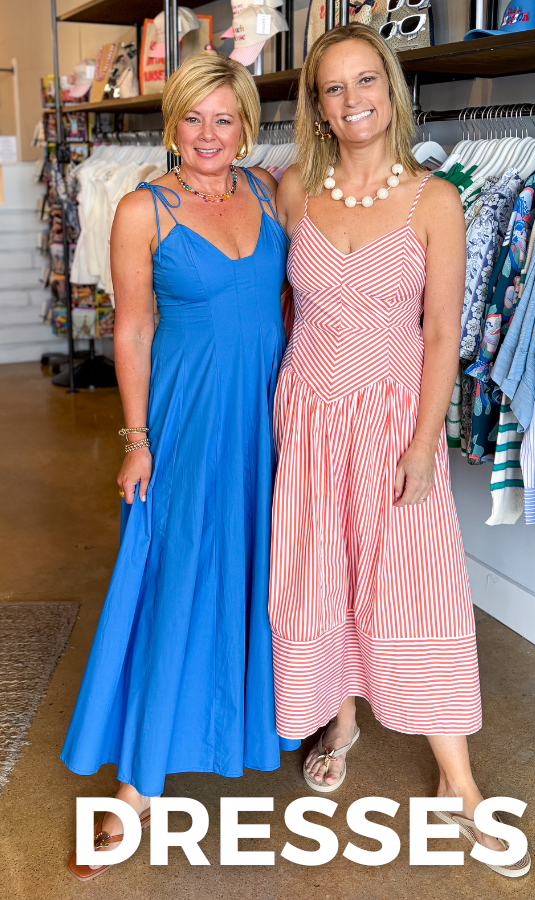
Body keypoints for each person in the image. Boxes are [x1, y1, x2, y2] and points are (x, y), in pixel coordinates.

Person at [269, 23, 530, 878]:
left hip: (390, 424)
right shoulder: (292, 194)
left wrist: (424, 444)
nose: (353, 101)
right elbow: (275, 312)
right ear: (317, 106)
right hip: (306, 418)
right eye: (334, 88)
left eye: (366, 81)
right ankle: (338, 715)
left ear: (391, 90)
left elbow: (443, 332)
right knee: (321, 572)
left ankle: (458, 784)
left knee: (417, 588)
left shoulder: (436, 200)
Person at [61, 51, 298, 881]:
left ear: (246, 126)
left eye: (224, 118)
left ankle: (247, 724)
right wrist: (135, 440)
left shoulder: (269, 194)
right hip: (188, 419)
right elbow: (130, 330)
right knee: (176, 575)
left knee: (258, 571)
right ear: (174, 125)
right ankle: (138, 787)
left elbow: (291, 302)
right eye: (194, 117)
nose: (208, 134)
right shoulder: (140, 209)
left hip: (265, 419)